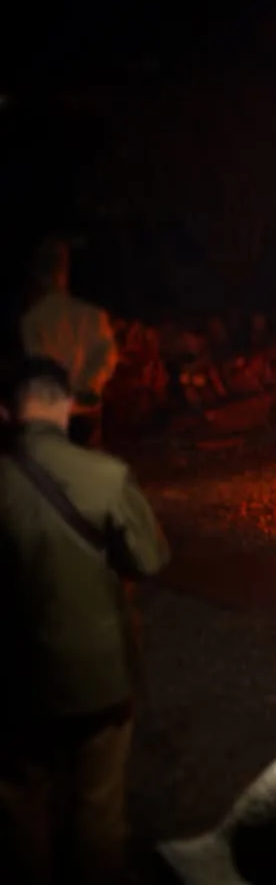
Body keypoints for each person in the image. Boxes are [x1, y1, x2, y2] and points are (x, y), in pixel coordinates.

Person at [0, 356, 170, 885]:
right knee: (98, 808)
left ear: (5, 412)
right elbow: (149, 560)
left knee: (20, 805)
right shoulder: (106, 476)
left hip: (15, 679)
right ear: (69, 405)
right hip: (99, 675)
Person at [20, 238, 118, 448]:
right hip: (84, 411)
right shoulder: (91, 314)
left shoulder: (32, 320)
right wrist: (88, 386)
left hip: (50, 413)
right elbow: (107, 356)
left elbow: (36, 365)